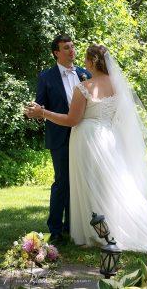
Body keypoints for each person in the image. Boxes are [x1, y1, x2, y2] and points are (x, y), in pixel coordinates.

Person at [25, 44, 147, 266]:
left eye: (86, 59)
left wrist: (43, 113)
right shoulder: (117, 85)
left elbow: (72, 120)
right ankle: (105, 228)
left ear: (92, 62)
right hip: (108, 138)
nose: (83, 63)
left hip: (87, 139)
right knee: (106, 184)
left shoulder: (83, 87)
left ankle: (94, 233)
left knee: (89, 184)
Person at [28, 34, 91, 243]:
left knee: (79, 182)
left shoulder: (84, 73)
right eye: (66, 48)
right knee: (62, 182)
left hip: (84, 136)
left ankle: (72, 225)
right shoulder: (46, 77)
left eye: (73, 47)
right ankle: (55, 229)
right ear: (56, 52)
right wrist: (34, 112)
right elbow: (40, 106)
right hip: (60, 137)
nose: (72, 51)